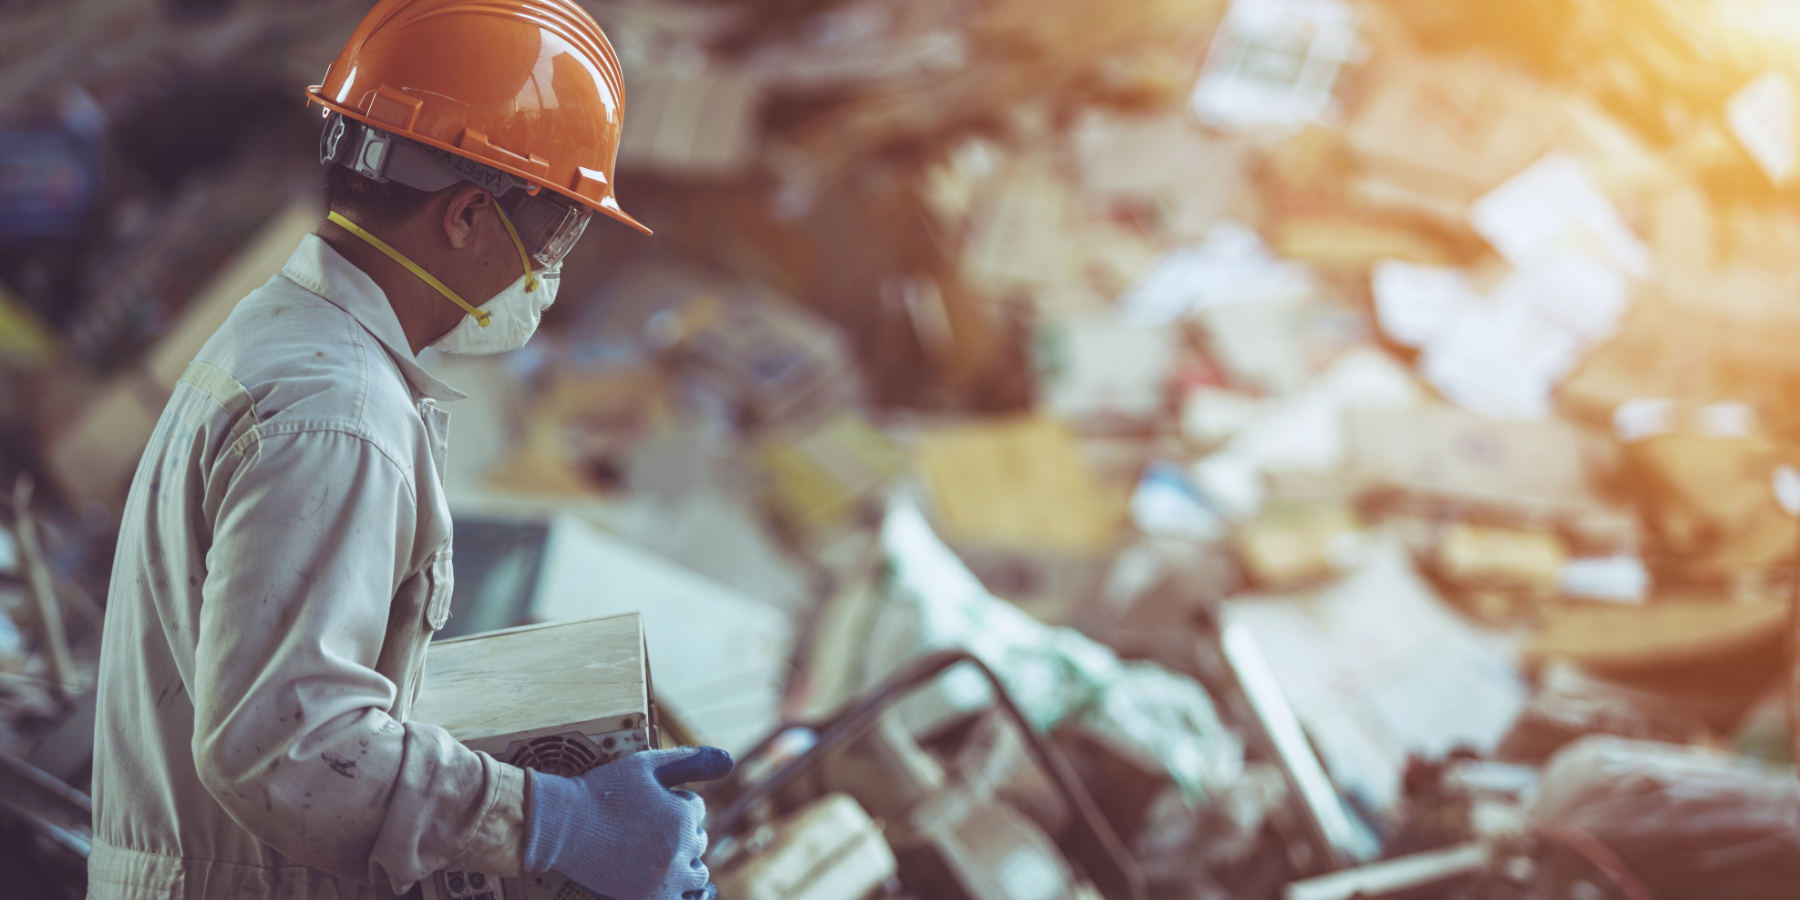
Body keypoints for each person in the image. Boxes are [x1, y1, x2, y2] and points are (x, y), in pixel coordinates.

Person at [87, 1, 731, 897]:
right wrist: (554, 820)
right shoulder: (338, 414)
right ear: (468, 214)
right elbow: (289, 747)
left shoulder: (280, 334)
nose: (551, 268)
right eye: (556, 230)